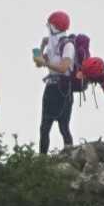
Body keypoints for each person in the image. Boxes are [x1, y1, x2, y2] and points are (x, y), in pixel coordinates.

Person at [33, 10, 77, 152]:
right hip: (51, 87)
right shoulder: (52, 44)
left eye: (49, 25)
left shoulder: (67, 45)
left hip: (63, 89)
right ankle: (42, 158)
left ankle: (70, 156)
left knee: (63, 126)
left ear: (54, 26)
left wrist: (45, 63)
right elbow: (38, 63)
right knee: (44, 127)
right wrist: (41, 46)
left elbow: (64, 67)